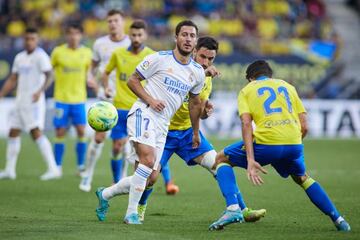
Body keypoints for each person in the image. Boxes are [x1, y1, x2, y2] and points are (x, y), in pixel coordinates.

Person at [209, 60, 351, 232]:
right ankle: (339, 219)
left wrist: (251, 159)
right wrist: (292, 147)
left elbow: (246, 124)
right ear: (270, 75)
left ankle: (233, 209)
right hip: (294, 143)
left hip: (267, 143)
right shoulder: (288, 87)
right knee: (303, 178)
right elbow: (305, 125)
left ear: (250, 78)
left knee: (221, 158)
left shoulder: (247, 90)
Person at [136, 36, 266, 223]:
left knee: (219, 165)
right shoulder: (184, 70)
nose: (206, 62)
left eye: (210, 59)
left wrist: (205, 112)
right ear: (194, 52)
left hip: (188, 133)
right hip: (163, 131)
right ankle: (139, 207)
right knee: (152, 177)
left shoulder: (206, 79)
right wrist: (203, 73)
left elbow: (196, 107)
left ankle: (242, 209)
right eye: (203, 57)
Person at [95, 20, 205, 225]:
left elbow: (195, 103)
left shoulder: (197, 72)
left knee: (150, 178)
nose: (188, 39)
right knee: (147, 161)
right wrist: (151, 100)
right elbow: (133, 80)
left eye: (192, 36)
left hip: (163, 124)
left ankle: (106, 194)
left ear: (196, 41)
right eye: (184, 35)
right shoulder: (159, 58)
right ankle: (131, 214)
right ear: (176, 37)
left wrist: (196, 132)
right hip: (143, 113)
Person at [80, 19, 153, 192]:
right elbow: (101, 71)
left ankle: (130, 181)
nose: (136, 38)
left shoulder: (150, 55)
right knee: (112, 144)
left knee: (139, 148)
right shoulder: (111, 50)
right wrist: (103, 86)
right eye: (133, 35)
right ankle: (103, 177)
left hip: (139, 106)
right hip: (115, 104)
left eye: (139, 35)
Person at [79, 9, 131, 192]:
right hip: (105, 98)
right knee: (99, 137)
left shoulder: (131, 44)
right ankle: (87, 175)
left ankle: (120, 179)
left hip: (125, 98)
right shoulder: (100, 43)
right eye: (109, 21)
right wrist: (89, 77)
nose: (112, 24)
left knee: (121, 144)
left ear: (122, 22)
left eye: (116, 20)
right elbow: (92, 66)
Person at [0, 28, 60, 180]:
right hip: (20, 101)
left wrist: (40, 91)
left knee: (36, 132)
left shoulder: (41, 56)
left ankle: (53, 169)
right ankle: (9, 170)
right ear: (23, 40)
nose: (29, 41)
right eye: (27, 39)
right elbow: (13, 78)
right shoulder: (20, 57)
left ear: (37, 40)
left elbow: (50, 75)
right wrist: (2, 94)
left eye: (32, 38)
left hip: (34, 102)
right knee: (13, 132)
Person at [51, 23, 92, 176]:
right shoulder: (58, 52)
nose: (73, 36)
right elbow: (50, 72)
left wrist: (94, 82)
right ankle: (57, 167)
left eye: (76, 33)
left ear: (80, 35)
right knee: (60, 131)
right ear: (66, 35)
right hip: (61, 99)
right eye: (70, 33)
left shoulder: (87, 52)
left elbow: (90, 73)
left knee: (81, 131)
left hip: (79, 99)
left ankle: (80, 166)